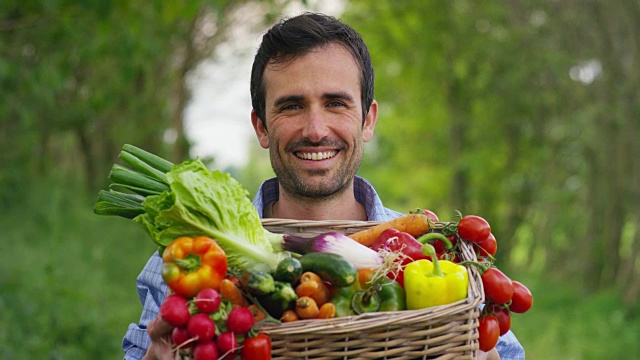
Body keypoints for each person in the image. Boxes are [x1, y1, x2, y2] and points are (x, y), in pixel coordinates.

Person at [123, 12, 524, 360]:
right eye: (292, 105)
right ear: (261, 126)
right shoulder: (189, 258)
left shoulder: (438, 255)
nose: (315, 131)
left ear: (367, 121)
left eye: (336, 103)